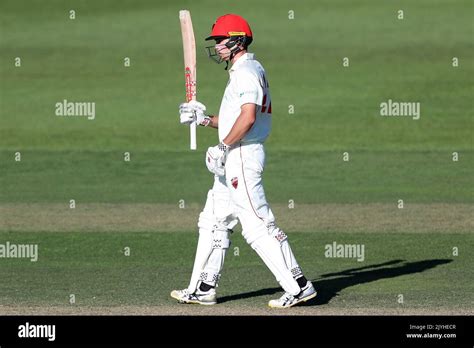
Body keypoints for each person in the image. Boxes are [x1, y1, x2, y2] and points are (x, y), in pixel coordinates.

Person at [171, 14, 316, 308]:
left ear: (237, 40)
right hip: (234, 152)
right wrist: (204, 119)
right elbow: (234, 118)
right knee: (213, 220)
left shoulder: (246, 72)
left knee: (256, 224)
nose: (218, 47)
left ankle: (299, 286)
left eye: (221, 41)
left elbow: (248, 118)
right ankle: (203, 288)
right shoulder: (246, 69)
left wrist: (223, 147)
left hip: (242, 155)